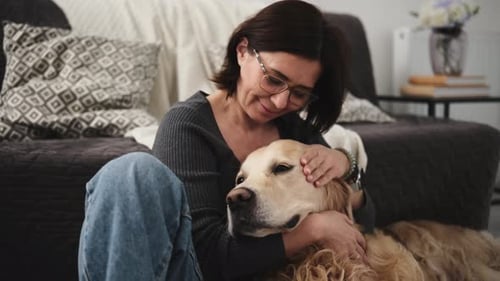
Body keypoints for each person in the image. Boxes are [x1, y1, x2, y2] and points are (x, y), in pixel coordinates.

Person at [77, 1, 375, 280]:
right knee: (133, 172)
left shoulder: (294, 130)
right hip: (192, 271)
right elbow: (206, 254)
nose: (280, 100)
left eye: (299, 93)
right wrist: (311, 230)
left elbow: (366, 220)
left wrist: (345, 165)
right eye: (273, 79)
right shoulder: (188, 124)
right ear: (242, 51)